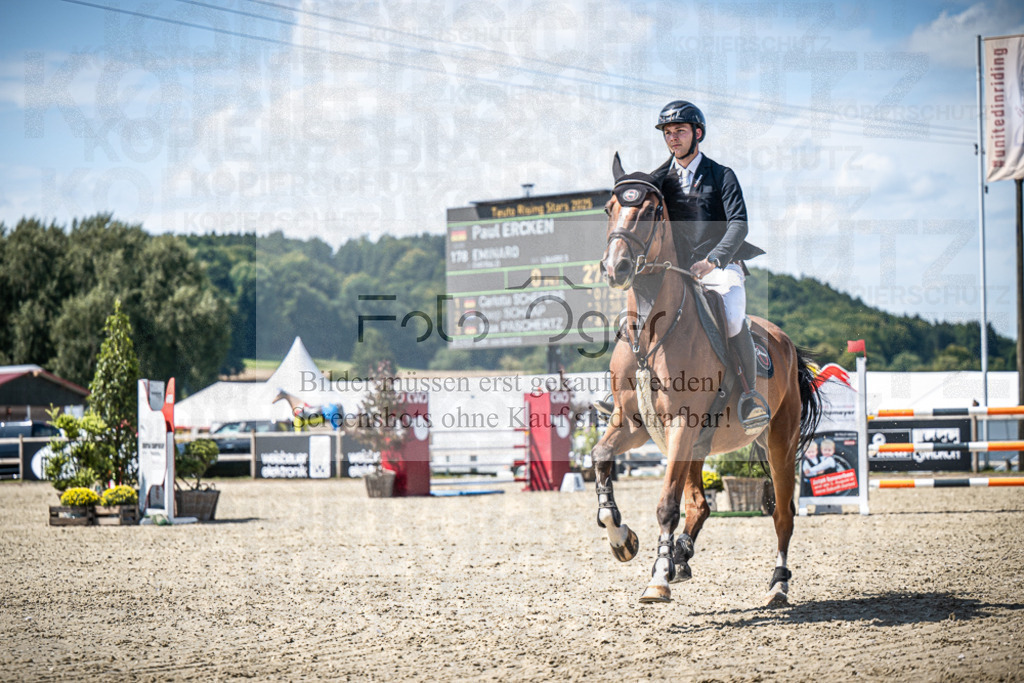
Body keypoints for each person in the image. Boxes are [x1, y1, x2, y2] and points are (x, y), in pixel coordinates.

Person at [651, 100, 770, 434]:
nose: (673, 138)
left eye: (680, 131)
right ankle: (624, 394)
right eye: (668, 133)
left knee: (732, 318)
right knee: (638, 317)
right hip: (675, 272)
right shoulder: (658, 180)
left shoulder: (721, 175)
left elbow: (739, 225)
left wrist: (713, 259)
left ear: (697, 133)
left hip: (720, 267)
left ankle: (749, 396)